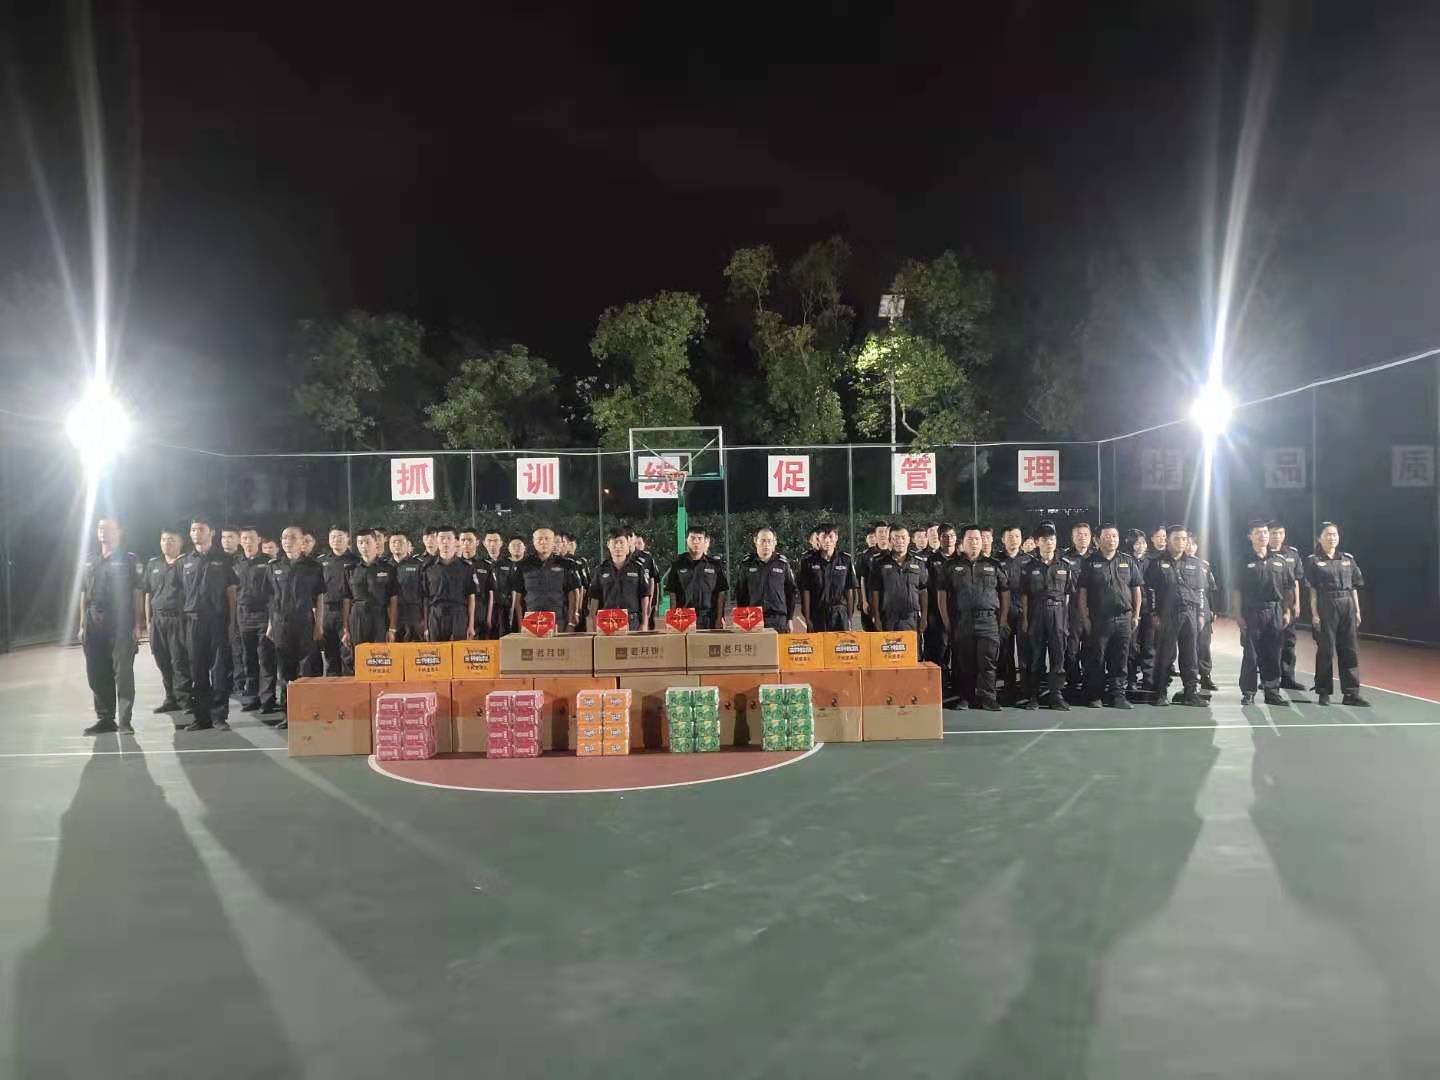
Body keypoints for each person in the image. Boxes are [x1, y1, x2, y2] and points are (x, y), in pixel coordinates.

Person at [78, 517, 145, 735]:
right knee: (96, 671)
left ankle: (125, 721)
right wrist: (82, 624)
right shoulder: (90, 560)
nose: (103, 531)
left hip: (120, 620)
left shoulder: (128, 559)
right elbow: (83, 593)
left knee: (123, 672)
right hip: (94, 620)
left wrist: (138, 624)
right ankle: (106, 719)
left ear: (119, 532)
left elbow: (137, 592)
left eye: (108, 528)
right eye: (100, 528)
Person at [938, 524, 1007, 711]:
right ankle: (965, 697)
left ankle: (988, 698)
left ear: (982, 541)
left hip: (988, 620)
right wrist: (947, 621)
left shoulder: (994, 564)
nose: (974, 542)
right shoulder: (951, 566)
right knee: (964, 662)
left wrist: (1002, 620)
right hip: (963, 620)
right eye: (970, 539)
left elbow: (1004, 592)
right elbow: (942, 595)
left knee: (988, 661)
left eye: (977, 539)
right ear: (962, 542)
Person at [262, 524, 325, 729]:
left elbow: (319, 598)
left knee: (306, 670)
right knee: (285, 671)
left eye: (293, 537)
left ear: (302, 541)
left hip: (305, 622)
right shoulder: (273, 566)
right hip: (281, 624)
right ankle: (288, 715)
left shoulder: (313, 567)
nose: (288, 541)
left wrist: (319, 624)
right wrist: (270, 626)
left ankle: (308, 713)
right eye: (284, 537)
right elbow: (271, 599)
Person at [180, 516, 238, 731]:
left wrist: (232, 622)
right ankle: (201, 717)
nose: (196, 533)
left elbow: (231, 592)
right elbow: (181, 594)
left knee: (220, 669)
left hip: (217, 620)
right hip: (193, 621)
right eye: (193, 529)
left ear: (211, 532)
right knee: (197, 670)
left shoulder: (224, 559)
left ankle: (219, 716)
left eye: (201, 529)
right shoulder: (185, 561)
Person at [1077, 523, 1143, 709]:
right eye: (1107, 536)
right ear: (1097, 539)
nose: (1111, 539)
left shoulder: (1127, 561)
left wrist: (1136, 615)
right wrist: (1085, 618)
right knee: (1097, 658)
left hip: (1123, 618)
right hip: (1099, 618)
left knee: (1120, 658)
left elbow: (1136, 589)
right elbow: (1082, 592)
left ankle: (1118, 696)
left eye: (1114, 536)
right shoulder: (1089, 562)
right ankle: (1095, 695)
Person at [1305, 521, 1369, 707]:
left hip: (1347, 604)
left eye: (1334, 534)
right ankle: (1323, 691)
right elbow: (1312, 590)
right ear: (1319, 538)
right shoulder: (1313, 561)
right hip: (1326, 604)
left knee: (1349, 649)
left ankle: (1351, 693)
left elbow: (1354, 587)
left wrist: (1357, 610)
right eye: (1327, 534)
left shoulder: (1348, 559)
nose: (1332, 537)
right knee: (1326, 650)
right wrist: (1315, 613)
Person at [1233, 519, 1295, 707]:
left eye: (1265, 532)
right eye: (1258, 533)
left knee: (1273, 653)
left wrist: (1287, 611)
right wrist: (1238, 615)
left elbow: (1288, 588)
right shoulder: (1243, 561)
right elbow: (1236, 590)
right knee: (1251, 655)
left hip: (1275, 610)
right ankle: (1248, 692)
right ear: (1250, 536)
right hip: (1252, 611)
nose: (1263, 536)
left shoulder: (1280, 561)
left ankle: (1272, 691)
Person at [1145, 523, 1207, 707]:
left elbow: (1200, 591)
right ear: (1168, 540)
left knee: (1190, 655)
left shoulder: (1194, 563)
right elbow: (1150, 591)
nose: (1181, 542)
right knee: (1165, 655)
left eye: (1184, 539)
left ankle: (1190, 693)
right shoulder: (1157, 563)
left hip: (1191, 613)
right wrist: (1154, 614)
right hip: (1167, 614)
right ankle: (1160, 693)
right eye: (1176, 539)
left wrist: (1201, 614)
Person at [1018, 523, 1071, 710]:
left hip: (1058, 613)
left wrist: (1065, 619)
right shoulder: (1029, 567)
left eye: (1052, 539)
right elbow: (1025, 596)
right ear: (1037, 542)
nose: (1050, 543)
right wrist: (1025, 619)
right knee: (1036, 656)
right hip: (1037, 613)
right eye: (1045, 540)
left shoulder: (1064, 565)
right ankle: (1033, 696)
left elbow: (1068, 594)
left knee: (1058, 656)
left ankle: (1056, 695)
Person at [143, 526, 191, 717]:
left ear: (181, 543)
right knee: (162, 660)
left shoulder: (186, 563)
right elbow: (148, 593)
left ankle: (185, 700)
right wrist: (148, 621)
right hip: (158, 620)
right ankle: (170, 699)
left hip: (178, 619)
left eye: (171, 540)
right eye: (164, 539)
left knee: (179, 661)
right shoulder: (153, 564)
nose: (167, 543)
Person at [234, 527, 275, 713]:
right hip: (243, 615)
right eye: (244, 538)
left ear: (259, 540)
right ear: (240, 541)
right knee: (248, 658)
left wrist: (271, 620)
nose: (248, 542)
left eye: (251, 538)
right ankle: (252, 697)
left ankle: (267, 699)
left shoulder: (268, 562)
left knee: (265, 658)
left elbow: (273, 593)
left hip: (263, 615)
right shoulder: (236, 563)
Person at [515, 527, 583, 631]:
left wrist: (571, 622)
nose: (543, 542)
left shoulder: (566, 564)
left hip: (559, 622)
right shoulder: (523, 565)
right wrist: (521, 624)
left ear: (553, 542)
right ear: (533, 542)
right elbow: (517, 598)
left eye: (547, 538)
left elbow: (572, 593)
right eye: (539, 539)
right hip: (531, 622)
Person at [342, 529, 400, 648]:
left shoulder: (389, 568)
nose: (364, 546)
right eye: (360, 542)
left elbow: (393, 600)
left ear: (375, 543)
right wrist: (346, 629)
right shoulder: (350, 569)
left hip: (380, 616)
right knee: (359, 654)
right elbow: (346, 600)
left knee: (380, 655)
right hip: (357, 617)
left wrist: (392, 628)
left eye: (367, 542)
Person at [663, 525, 729, 629]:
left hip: (709, 618)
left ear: (705, 541)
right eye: (692, 538)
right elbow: (673, 593)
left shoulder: (715, 565)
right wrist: (673, 617)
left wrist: (720, 617)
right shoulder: (677, 565)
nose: (696, 542)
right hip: (684, 618)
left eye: (699, 538)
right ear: (687, 540)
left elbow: (721, 594)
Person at [1267, 521, 1306, 691]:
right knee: (1270, 643)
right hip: (1270, 605)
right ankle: (1269, 678)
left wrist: (1297, 603)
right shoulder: (1262, 553)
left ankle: (1288, 678)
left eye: (1280, 533)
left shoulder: (1292, 554)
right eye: (1274, 533)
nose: (1277, 537)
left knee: (1289, 642)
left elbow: (1295, 581)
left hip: (1287, 604)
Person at [734, 527, 798, 632]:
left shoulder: (783, 564)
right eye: (763, 541)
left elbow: (790, 592)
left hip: (777, 618)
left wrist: (790, 619)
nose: (766, 544)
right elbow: (741, 593)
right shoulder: (746, 564)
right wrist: (742, 620)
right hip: (753, 617)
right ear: (755, 541)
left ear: (775, 543)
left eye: (769, 541)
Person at [588, 528, 652, 631]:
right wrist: (594, 623)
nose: (618, 546)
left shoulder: (638, 568)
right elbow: (594, 598)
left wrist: (644, 623)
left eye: (621, 542)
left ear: (628, 545)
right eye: (614, 543)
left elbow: (644, 596)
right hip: (607, 623)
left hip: (632, 623)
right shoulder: (600, 570)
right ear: (608, 545)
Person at [798, 522, 857, 632]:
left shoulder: (846, 560)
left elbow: (849, 590)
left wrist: (849, 617)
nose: (827, 540)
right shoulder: (808, 561)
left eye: (831, 537)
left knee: (841, 643)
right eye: (823, 537)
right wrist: (807, 618)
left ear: (836, 538)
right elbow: (806, 591)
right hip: (817, 614)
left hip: (839, 614)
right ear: (818, 539)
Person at [869, 524, 928, 632]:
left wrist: (924, 617)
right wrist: (876, 617)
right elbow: (875, 592)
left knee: (912, 644)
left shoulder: (918, 562)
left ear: (909, 540)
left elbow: (923, 591)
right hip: (888, 619)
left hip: (911, 619)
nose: (900, 541)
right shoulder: (879, 563)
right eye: (895, 538)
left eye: (903, 537)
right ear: (890, 541)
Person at [422, 525, 478, 641]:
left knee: (458, 650)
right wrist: (426, 626)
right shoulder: (427, 567)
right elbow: (425, 598)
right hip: (435, 614)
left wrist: (471, 625)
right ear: (436, 540)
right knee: (437, 651)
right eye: (442, 538)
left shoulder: (466, 567)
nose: (445, 542)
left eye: (449, 538)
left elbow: (471, 597)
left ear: (456, 541)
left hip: (458, 614)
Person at [994, 524, 1028, 704]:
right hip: (1003, 613)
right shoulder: (995, 561)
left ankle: (1026, 688)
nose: (1014, 540)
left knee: (1024, 652)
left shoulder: (1029, 560)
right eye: (1010, 537)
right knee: (1005, 653)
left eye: (1017, 536)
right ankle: (1009, 689)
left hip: (1023, 612)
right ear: (1003, 540)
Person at [317, 527, 358, 675]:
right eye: (333, 536)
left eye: (340, 536)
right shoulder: (321, 561)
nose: (336, 540)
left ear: (348, 539)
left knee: (348, 654)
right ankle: (332, 685)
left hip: (347, 611)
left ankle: (349, 685)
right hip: (327, 612)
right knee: (330, 655)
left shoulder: (355, 561)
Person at [1060, 521, 1093, 698]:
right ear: (1073, 538)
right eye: (1078, 535)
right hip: (1071, 610)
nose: (1082, 538)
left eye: (1085, 534)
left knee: (1090, 648)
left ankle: (1088, 682)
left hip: (1091, 611)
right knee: (1071, 649)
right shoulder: (1064, 558)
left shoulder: (1095, 557)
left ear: (1091, 537)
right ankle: (1073, 682)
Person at [924, 523, 957, 677]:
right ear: (939, 538)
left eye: (952, 535)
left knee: (959, 650)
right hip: (936, 613)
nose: (949, 539)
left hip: (958, 612)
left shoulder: (961, 559)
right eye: (945, 536)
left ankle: (957, 684)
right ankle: (939, 682)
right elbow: (926, 588)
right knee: (939, 649)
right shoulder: (931, 560)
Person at [1126, 528, 1157, 691]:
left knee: (1148, 645)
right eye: (1137, 543)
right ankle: (1131, 678)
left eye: (1143, 543)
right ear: (1130, 544)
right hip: (1130, 609)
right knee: (1131, 645)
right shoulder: (1125, 561)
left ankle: (1148, 678)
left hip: (1149, 609)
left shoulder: (1152, 562)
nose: (1141, 546)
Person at [1189, 535, 1219, 692]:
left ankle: (1205, 676)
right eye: (1187, 544)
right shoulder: (1177, 564)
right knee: (1189, 647)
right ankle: (1190, 679)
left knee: (1204, 645)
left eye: (1193, 544)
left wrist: (1213, 609)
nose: (1190, 547)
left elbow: (1211, 590)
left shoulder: (1204, 565)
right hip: (1187, 610)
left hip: (1204, 610)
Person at [391, 533, 425, 641]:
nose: (397, 544)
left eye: (400, 542)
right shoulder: (384, 566)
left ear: (408, 544)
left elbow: (425, 593)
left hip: (413, 615)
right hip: (390, 616)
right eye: (393, 542)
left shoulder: (418, 565)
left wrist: (424, 618)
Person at [856, 521, 889, 631]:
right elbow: (862, 579)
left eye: (885, 531)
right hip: (873, 599)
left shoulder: (895, 552)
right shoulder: (867, 555)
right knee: (873, 631)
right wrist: (864, 601)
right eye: (880, 532)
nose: (883, 534)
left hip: (891, 602)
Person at [628, 531, 661, 629]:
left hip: (646, 597)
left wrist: (652, 602)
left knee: (647, 624)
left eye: (639, 543)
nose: (637, 545)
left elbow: (653, 580)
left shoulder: (647, 557)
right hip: (633, 602)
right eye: (635, 543)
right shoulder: (624, 558)